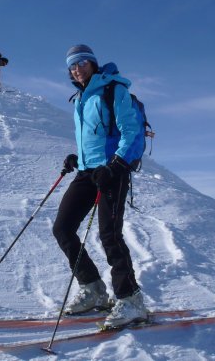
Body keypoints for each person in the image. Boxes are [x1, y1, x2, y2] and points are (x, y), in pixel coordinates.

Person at [53, 44, 148, 328]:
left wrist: (116, 165)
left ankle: (131, 300)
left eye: (82, 63)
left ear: (93, 64)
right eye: (72, 65)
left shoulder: (113, 90)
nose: (77, 68)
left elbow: (131, 131)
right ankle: (93, 288)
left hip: (112, 170)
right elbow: (94, 136)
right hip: (87, 171)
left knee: (110, 235)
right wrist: (77, 157)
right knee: (63, 228)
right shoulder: (81, 97)